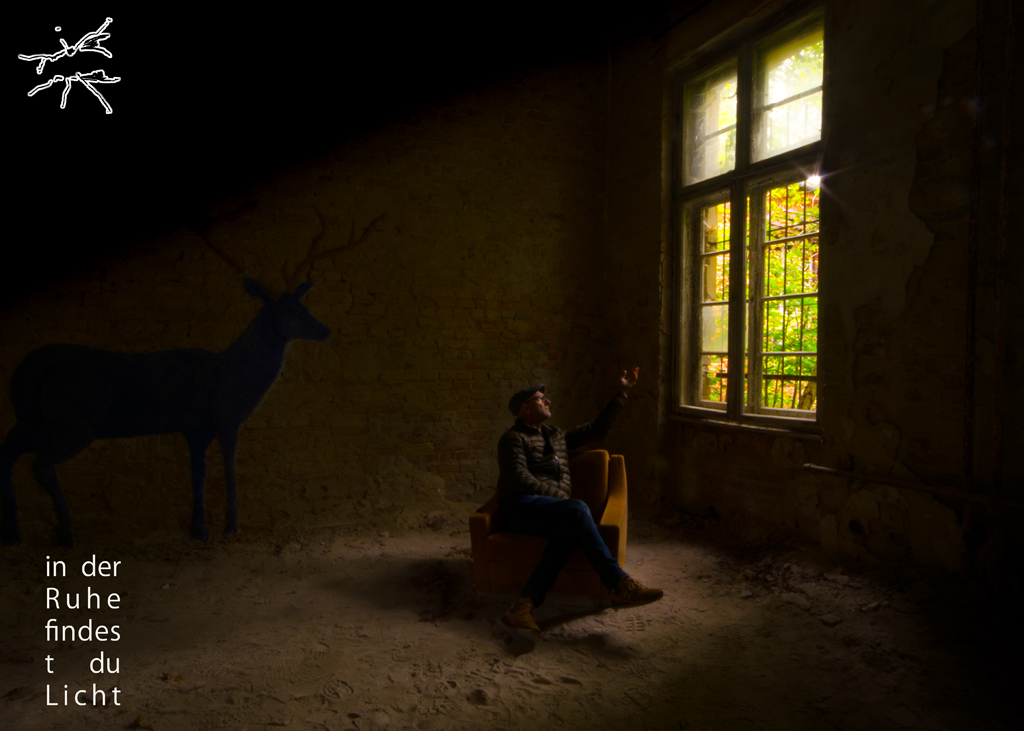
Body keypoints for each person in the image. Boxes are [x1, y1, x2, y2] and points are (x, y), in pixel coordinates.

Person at [496, 367, 663, 636]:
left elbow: (598, 429)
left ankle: (523, 605)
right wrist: (562, 498)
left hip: (549, 512)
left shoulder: (556, 436)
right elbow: (518, 479)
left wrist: (621, 393)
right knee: (576, 507)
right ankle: (618, 584)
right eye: (540, 399)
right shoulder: (512, 439)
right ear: (524, 410)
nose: (547, 401)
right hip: (520, 507)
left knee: (567, 534)